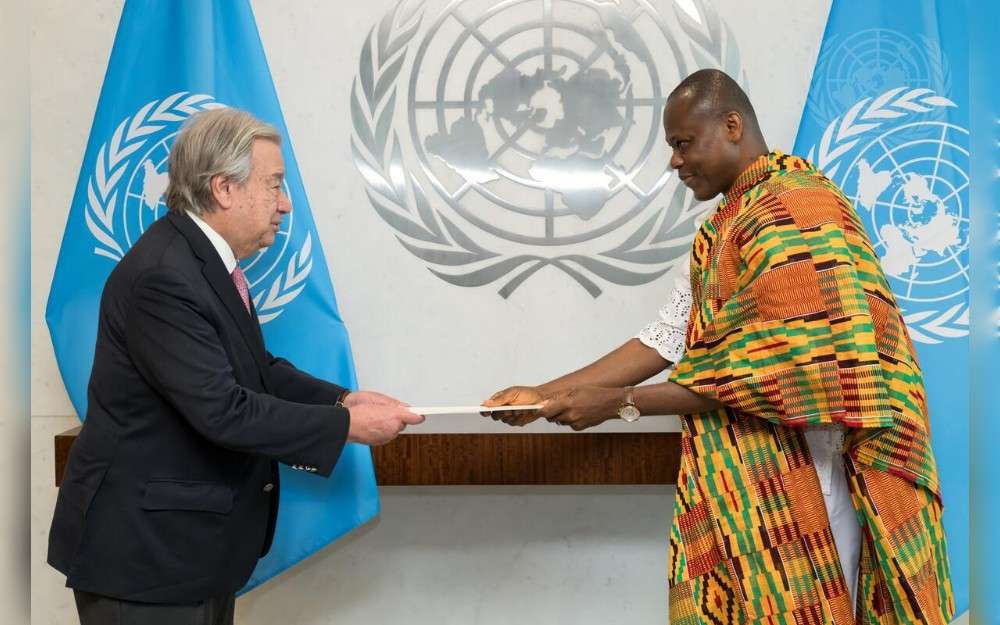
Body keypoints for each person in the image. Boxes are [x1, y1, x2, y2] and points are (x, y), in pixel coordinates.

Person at [485, 69, 953, 624]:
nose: (675, 162)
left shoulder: (799, 212)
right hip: (745, 484)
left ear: (732, 125)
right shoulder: (724, 228)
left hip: (814, 478)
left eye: (683, 143)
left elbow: (771, 366)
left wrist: (618, 403)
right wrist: (544, 395)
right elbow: (664, 337)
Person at [48, 108, 423, 625]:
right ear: (224, 188)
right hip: (147, 561)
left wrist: (341, 400)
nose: (286, 205)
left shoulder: (199, 260)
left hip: (187, 553)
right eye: (274, 185)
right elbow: (223, 409)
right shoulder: (166, 276)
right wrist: (347, 427)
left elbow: (254, 367)